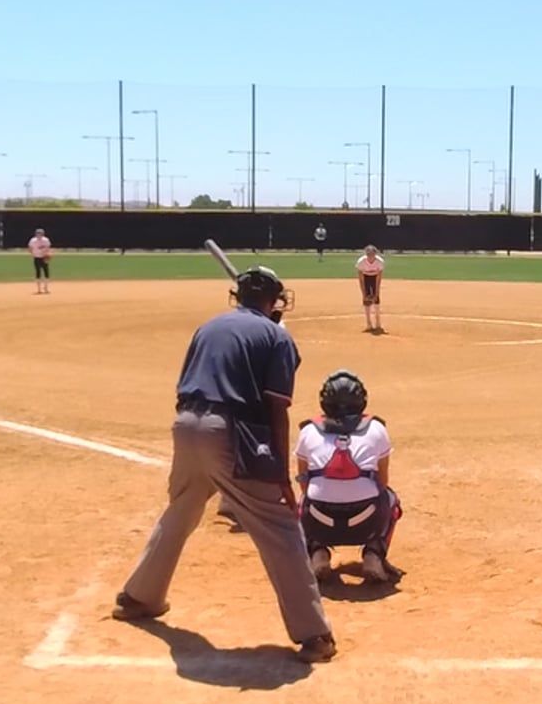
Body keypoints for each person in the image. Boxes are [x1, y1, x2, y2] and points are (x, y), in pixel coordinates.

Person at [111, 265, 336, 664]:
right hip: (230, 432)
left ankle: (138, 597)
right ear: (274, 300)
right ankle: (314, 634)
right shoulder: (276, 337)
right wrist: (280, 475)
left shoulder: (208, 327)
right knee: (279, 526)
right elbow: (277, 409)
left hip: (186, 425)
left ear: (238, 296)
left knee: (181, 509)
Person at [296, 370, 404, 585]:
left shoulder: (308, 431)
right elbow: (382, 482)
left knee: (302, 501)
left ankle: (317, 553)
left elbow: (304, 482)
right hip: (366, 520)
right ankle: (374, 554)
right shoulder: (376, 428)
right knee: (391, 500)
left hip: (319, 520)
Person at [355, 245, 386, 334]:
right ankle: (368, 323)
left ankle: (378, 322)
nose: (370, 257)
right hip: (365, 278)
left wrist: (376, 293)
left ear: (375, 254)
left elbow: (379, 278)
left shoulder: (379, 262)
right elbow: (361, 279)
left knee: (376, 300)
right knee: (366, 301)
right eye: (368, 254)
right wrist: (364, 294)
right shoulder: (361, 262)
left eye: (372, 254)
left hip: (375, 278)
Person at [28, 228, 53, 295]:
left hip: (44, 257)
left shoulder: (46, 240)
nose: (39, 235)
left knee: (46, 272)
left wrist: (48, 254)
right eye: (38, 233)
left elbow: (48, 248)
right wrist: (33, 254)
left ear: (43, 234)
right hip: (37, 258)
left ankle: (46, 288)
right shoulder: (33, 240)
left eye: (40, 233)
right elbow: (30, 248)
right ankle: (38, 289)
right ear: (36, 234)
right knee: (38, 273)